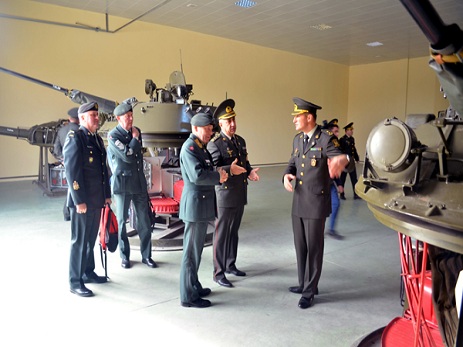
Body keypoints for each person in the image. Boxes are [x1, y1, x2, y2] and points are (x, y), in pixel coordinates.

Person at [283, 97, 349, 309]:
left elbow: (341, 158)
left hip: (316, 204)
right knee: (300, 246)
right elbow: (292, 163)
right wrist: (286, 175)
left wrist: (343, 160)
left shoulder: (326, 139)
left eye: (297, 116)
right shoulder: (297, 139)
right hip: (299, 201)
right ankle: (304, 283)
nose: (294, 119)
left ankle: (310, 291)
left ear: (309, 117)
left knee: (314, 248)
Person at [207, 99, 260, 288]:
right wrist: (230, 169)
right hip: (224, 195)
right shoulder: (215, 144)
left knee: (234, 232)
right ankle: (218, 272)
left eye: (234, 120)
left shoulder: (240, 141)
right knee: (221, 234)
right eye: (228, 121)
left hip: (239, 193)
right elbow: (213, 168)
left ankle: (230, 264)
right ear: (220, 123)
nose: (233, 124)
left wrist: (251, 171)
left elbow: (244, 164)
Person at [179, 112, 228, 308]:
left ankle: (194, 285)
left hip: (201, 205)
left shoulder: (201, 147)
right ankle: (188, 296)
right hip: (194, 207)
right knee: (190, 254)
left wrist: (226, 171)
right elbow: (198, 176)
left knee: (196, 252)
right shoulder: (190, 148)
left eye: (211, 129)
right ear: (196, 128)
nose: (210, 132)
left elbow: (208, 169)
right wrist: (218, 177)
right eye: (207, 129)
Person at [63, 101, 112, 297]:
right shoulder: (76, 138)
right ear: (82, 118)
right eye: (93, 115)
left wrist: (106, 195)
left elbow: (103, 171)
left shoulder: (96, 139)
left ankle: (88, 271)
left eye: (97, 115)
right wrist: (78, 200)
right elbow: (72, 172)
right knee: (79, 241)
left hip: (96, 200)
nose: (97, 118)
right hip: (82, 202)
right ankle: (75, 281)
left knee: (90, 239)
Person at [107, 103, 157, 269]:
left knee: (144, 221)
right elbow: (128, 155)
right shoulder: (113, 135)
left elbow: (137, 157)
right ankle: (124, 256)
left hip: (138, 183)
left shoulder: (137, 130)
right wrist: (135, 139)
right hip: (122, 185)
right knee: (122, 222)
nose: (130, 118)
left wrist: (135, 139)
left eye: (131, 115)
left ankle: (146, 255)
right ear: (118, 118)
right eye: (127, 116)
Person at [53, 107, 79, 221]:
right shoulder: (80, 130)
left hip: (66, 163)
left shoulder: (62, 130)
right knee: (75, 187)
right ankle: (68, 212)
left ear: (69, 118)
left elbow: (56, 150)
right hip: (78, 162)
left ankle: (67, 213)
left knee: (71, 186)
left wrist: (63, 159)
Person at [323, 119, 344, 240]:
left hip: (330, 183)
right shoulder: (321, 145)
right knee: (319, 208)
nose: (337, 134)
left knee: (335, 204)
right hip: (320, 183)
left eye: (337, 132)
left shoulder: (335, 147)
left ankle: (331, 230)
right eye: (335, 132)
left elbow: (337, 167)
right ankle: (317, 230)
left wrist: (339, 184)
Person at [339, 122, 360, 200]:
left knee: (354, 178)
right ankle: (342, 194)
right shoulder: (342, 140)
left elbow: (353, 149)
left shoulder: (352, 139)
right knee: (342, 178)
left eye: (352, 130)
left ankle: (356, 194)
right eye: (350, 130)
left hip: (351, 161)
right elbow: (340, 150)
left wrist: (356, 158)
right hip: (344, 161)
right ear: (346, 131)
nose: (352, 131)